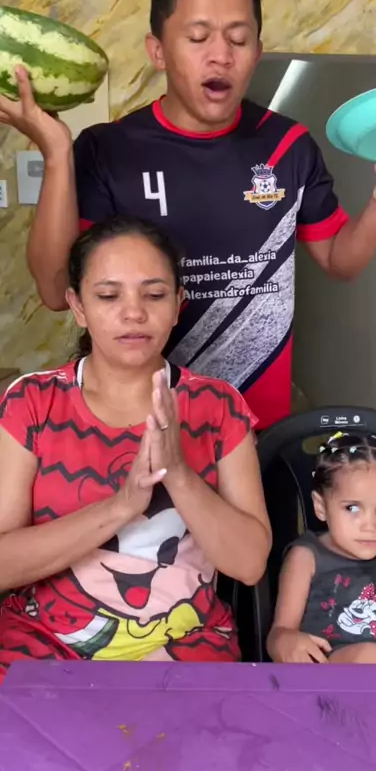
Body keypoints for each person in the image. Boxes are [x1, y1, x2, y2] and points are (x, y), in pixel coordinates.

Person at [0, 0, 376, 433]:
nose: (221, 55)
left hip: (261, 427)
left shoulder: (289, 146)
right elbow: (56, 290)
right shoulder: (107, 151)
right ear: (158, 51)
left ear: (258, 50)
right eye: (198, 37)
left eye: (238, 38)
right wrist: (56, 154)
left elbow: (339, 260)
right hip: (148, 427)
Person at [0, 215, 271, 679]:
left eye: (154, 295)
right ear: (77, 306)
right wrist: (122, 506)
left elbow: (248, 565)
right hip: (42, 643)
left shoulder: (218, 405)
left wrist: (179, 475)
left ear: (178, 304)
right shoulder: (32, 401)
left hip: (184, 645)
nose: (133, 313)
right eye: (109, 296)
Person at [267, 432, 376, 665]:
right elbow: (278, 634)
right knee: (373, 658)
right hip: (334, 679)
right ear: (321, 507)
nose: (370, 525)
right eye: (352, 508)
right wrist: (285, 640)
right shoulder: (305, 558)